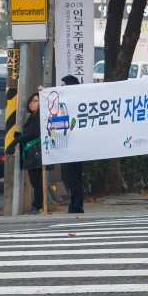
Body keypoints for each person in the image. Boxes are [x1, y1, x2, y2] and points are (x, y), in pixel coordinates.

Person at [13, 91, 43, 215]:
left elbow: (35, 133)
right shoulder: (32, 116)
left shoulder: (40, 116)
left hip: (37, 153)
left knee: (37, 181)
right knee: (34, 181)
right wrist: (21, 136)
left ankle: (38, 206)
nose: (32, 103)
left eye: (36, 101)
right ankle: (36, 206)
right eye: (31, 100)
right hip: (31, 153)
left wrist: (20, 139)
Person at [60, 74, 85, 213]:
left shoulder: (74, 101)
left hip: (76, 146)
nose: (61, 89)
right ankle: (75, 204)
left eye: (63, 86)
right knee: (73, 177)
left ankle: (76, 206)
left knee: (74, 178)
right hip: (70, 145)